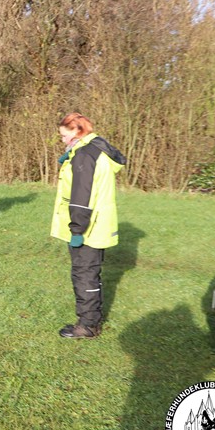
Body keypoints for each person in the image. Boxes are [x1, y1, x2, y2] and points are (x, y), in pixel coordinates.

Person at [51, 113, 127, 339]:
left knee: (84, 274)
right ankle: (92, 320)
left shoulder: (84, 155)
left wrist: (77, 229)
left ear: (77, 131)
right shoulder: (94, 150)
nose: (62, 140)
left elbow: (81, 197)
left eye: (64, 135)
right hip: (97, 223)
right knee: (90, 273)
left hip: (87, 227)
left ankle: (87, 325)